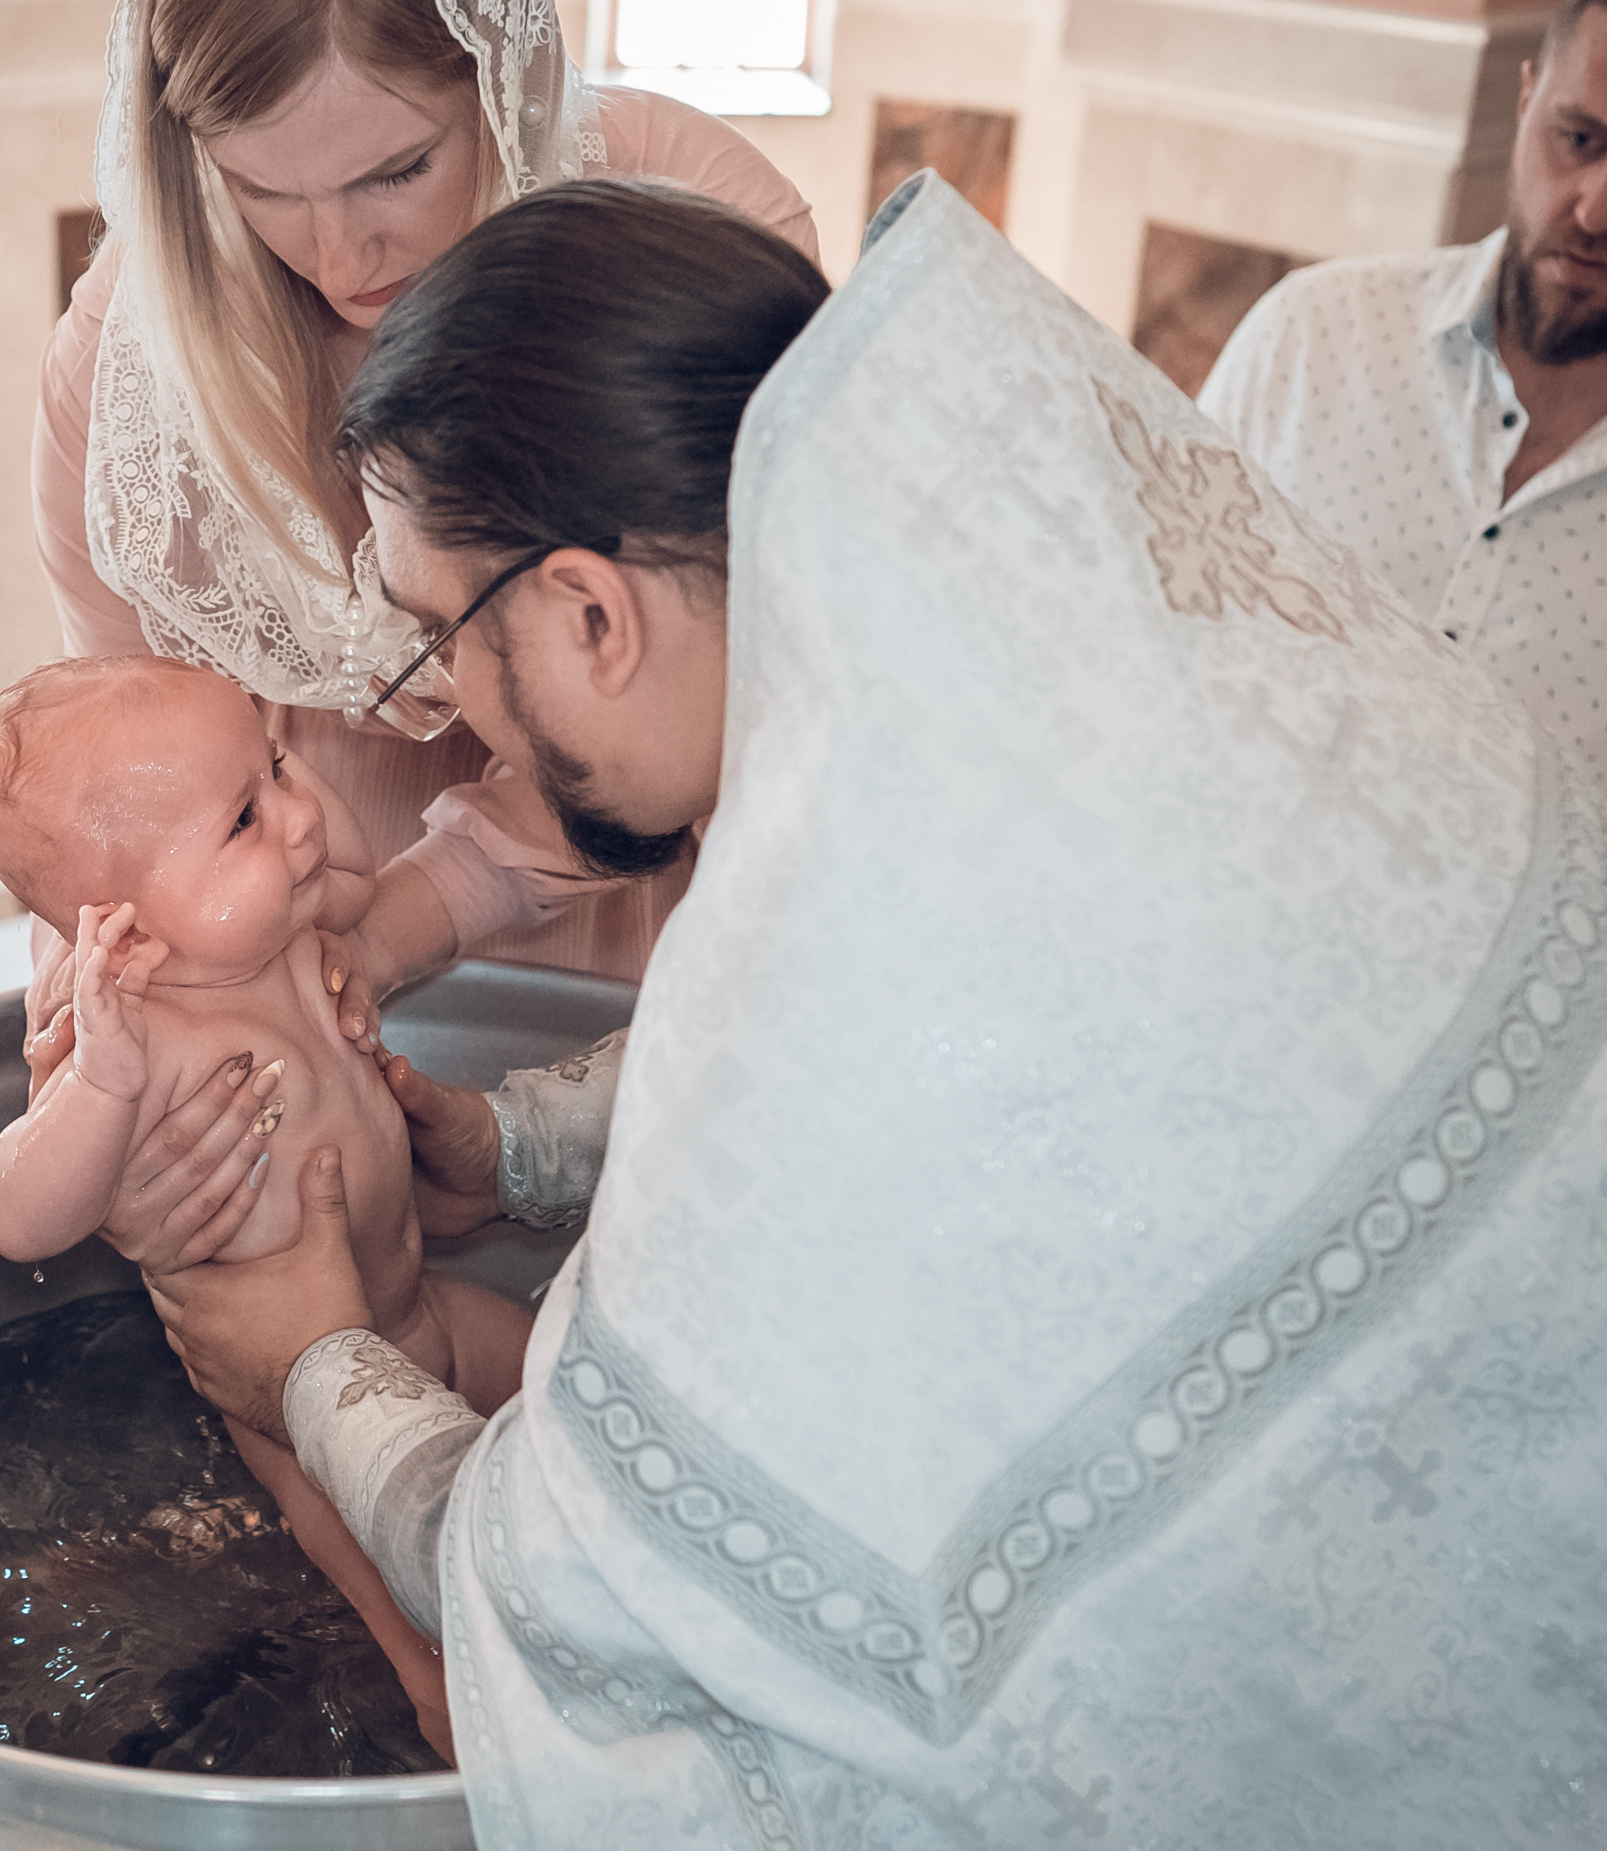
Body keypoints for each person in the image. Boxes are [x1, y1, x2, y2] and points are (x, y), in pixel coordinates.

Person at [152, 174, 1607, 1848]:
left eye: (443, 645)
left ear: (588, 613)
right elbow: (956, 1018)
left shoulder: (790, 960)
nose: (462, 719)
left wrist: (316, 1368)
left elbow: (586, 1601)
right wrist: (521, 1148)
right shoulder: (1063, 659)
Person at [30, 0, 821, 1042]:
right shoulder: (131, 356)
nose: (342, 258)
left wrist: (408, 922)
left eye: (397, 171)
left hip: (637, 877)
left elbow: (729, 694)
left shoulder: (695, 222)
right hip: (287, 901)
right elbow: (121, 768)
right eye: (262, 186)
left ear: (501, 76)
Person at [0, 652, 535, 1756]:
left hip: (420, 1312)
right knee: (394, 1587)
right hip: (286, 1392)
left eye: (276, 765)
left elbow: (359, 884)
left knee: (567, 1383)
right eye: (241, 819)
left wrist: (278, 813)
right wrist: (101, 1085)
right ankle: (439, 1704)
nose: (296, 815)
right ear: (120, 931)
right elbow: (17, 1219)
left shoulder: (286, 935)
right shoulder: (135, 1042)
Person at [1199, 0, 1607, 769]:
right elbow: (1150, 612)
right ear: (1526, 102)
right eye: (1578, 140)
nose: (1593, 209)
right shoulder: (1308, 332)